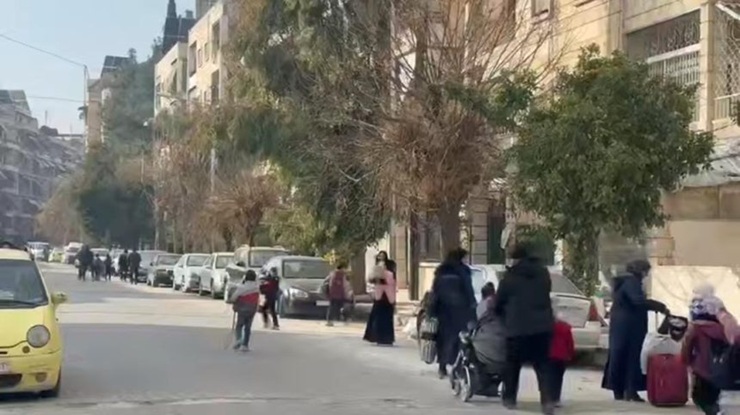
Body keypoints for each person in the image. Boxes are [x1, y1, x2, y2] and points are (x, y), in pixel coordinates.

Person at [494, 242, 555, 414]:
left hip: (516, 328)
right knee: (543, 366)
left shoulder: (510, 276)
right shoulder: (543, 274)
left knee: (512, 365)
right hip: (542, 327)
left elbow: (500, 301)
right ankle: (547, 401)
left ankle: (510, 398)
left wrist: (500, 315)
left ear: (515, 259)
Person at [601, 259, 668, 403]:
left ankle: (619, 389)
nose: (647, 275)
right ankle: (630, 389)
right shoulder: (632, 283)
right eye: (646, 271)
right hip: (630, 325)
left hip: (621, 324)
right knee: (632, 356)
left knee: (619, 355)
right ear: (641, 271)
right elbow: (638, 301)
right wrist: (659, 306)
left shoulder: (625, 282)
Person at [682, 285, 737, 415]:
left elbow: (687, 345)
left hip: (701, 368)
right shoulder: (723, 328)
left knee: (699, 398)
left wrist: (686, 360)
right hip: (719, 367)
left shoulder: (695, 328)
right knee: (712, 398)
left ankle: (715, 412)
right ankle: (716, 411)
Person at [429, 248, 476, 378]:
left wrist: (432, 310)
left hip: (442, 310)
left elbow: (435, 291)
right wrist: (473, 306)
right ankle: (457, 367)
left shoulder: (441, 271)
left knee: (443, 339)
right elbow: (468, 289)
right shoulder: (463, 271)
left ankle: (442, 366)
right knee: (459, 339)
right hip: (459, 310)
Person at [471, 282, 505, 397]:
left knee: (472, 351)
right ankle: (496, 385)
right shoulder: (505, 315)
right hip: (504, 353)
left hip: (485, 351)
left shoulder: (481, 307)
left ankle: (482, 384)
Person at [549, 296, 575, 408]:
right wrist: (570, 354)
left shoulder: (545, 326)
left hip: (547, 355)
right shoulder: (565, 327)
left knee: (547, 377)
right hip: (561, 356)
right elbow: (570, 342)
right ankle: (555, 398)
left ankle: (547, 397)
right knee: (558, 378)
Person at [363, 260, 396, 346]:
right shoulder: (386, 274)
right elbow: (391, 285)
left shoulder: (381, 274)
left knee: (379, 318)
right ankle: (383, 338)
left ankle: (379, 337)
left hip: (382, 298)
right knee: (384, 319)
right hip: (385, 298)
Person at [227, 269, 261, 352]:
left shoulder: (242, 287)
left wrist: (231, 300)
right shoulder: (256, 288)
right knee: (248, 327)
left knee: (239, 325)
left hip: (242, 308)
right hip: (252, 309)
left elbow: (234, 297)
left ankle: (239, 339)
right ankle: (245, 345)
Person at [325, 262, 352, 326]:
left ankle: (330, 321)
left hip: (333, 294)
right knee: (343, 306)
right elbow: (345, 285)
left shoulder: (332, 274)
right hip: (340, 294)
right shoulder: (341, 275)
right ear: (342, 268)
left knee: (333, 307)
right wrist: (348, 293)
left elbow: (328, 284)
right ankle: (345, 319)